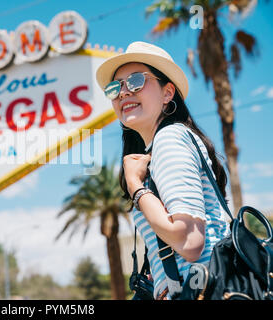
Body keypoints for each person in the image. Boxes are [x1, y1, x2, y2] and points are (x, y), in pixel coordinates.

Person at [95, 41, 231, 300]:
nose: (123, 92)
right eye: (115, 87)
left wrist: (134, 185)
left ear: (168, 93)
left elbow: (189, 242)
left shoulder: (170, 138)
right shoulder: (161, 147)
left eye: (136, 81)